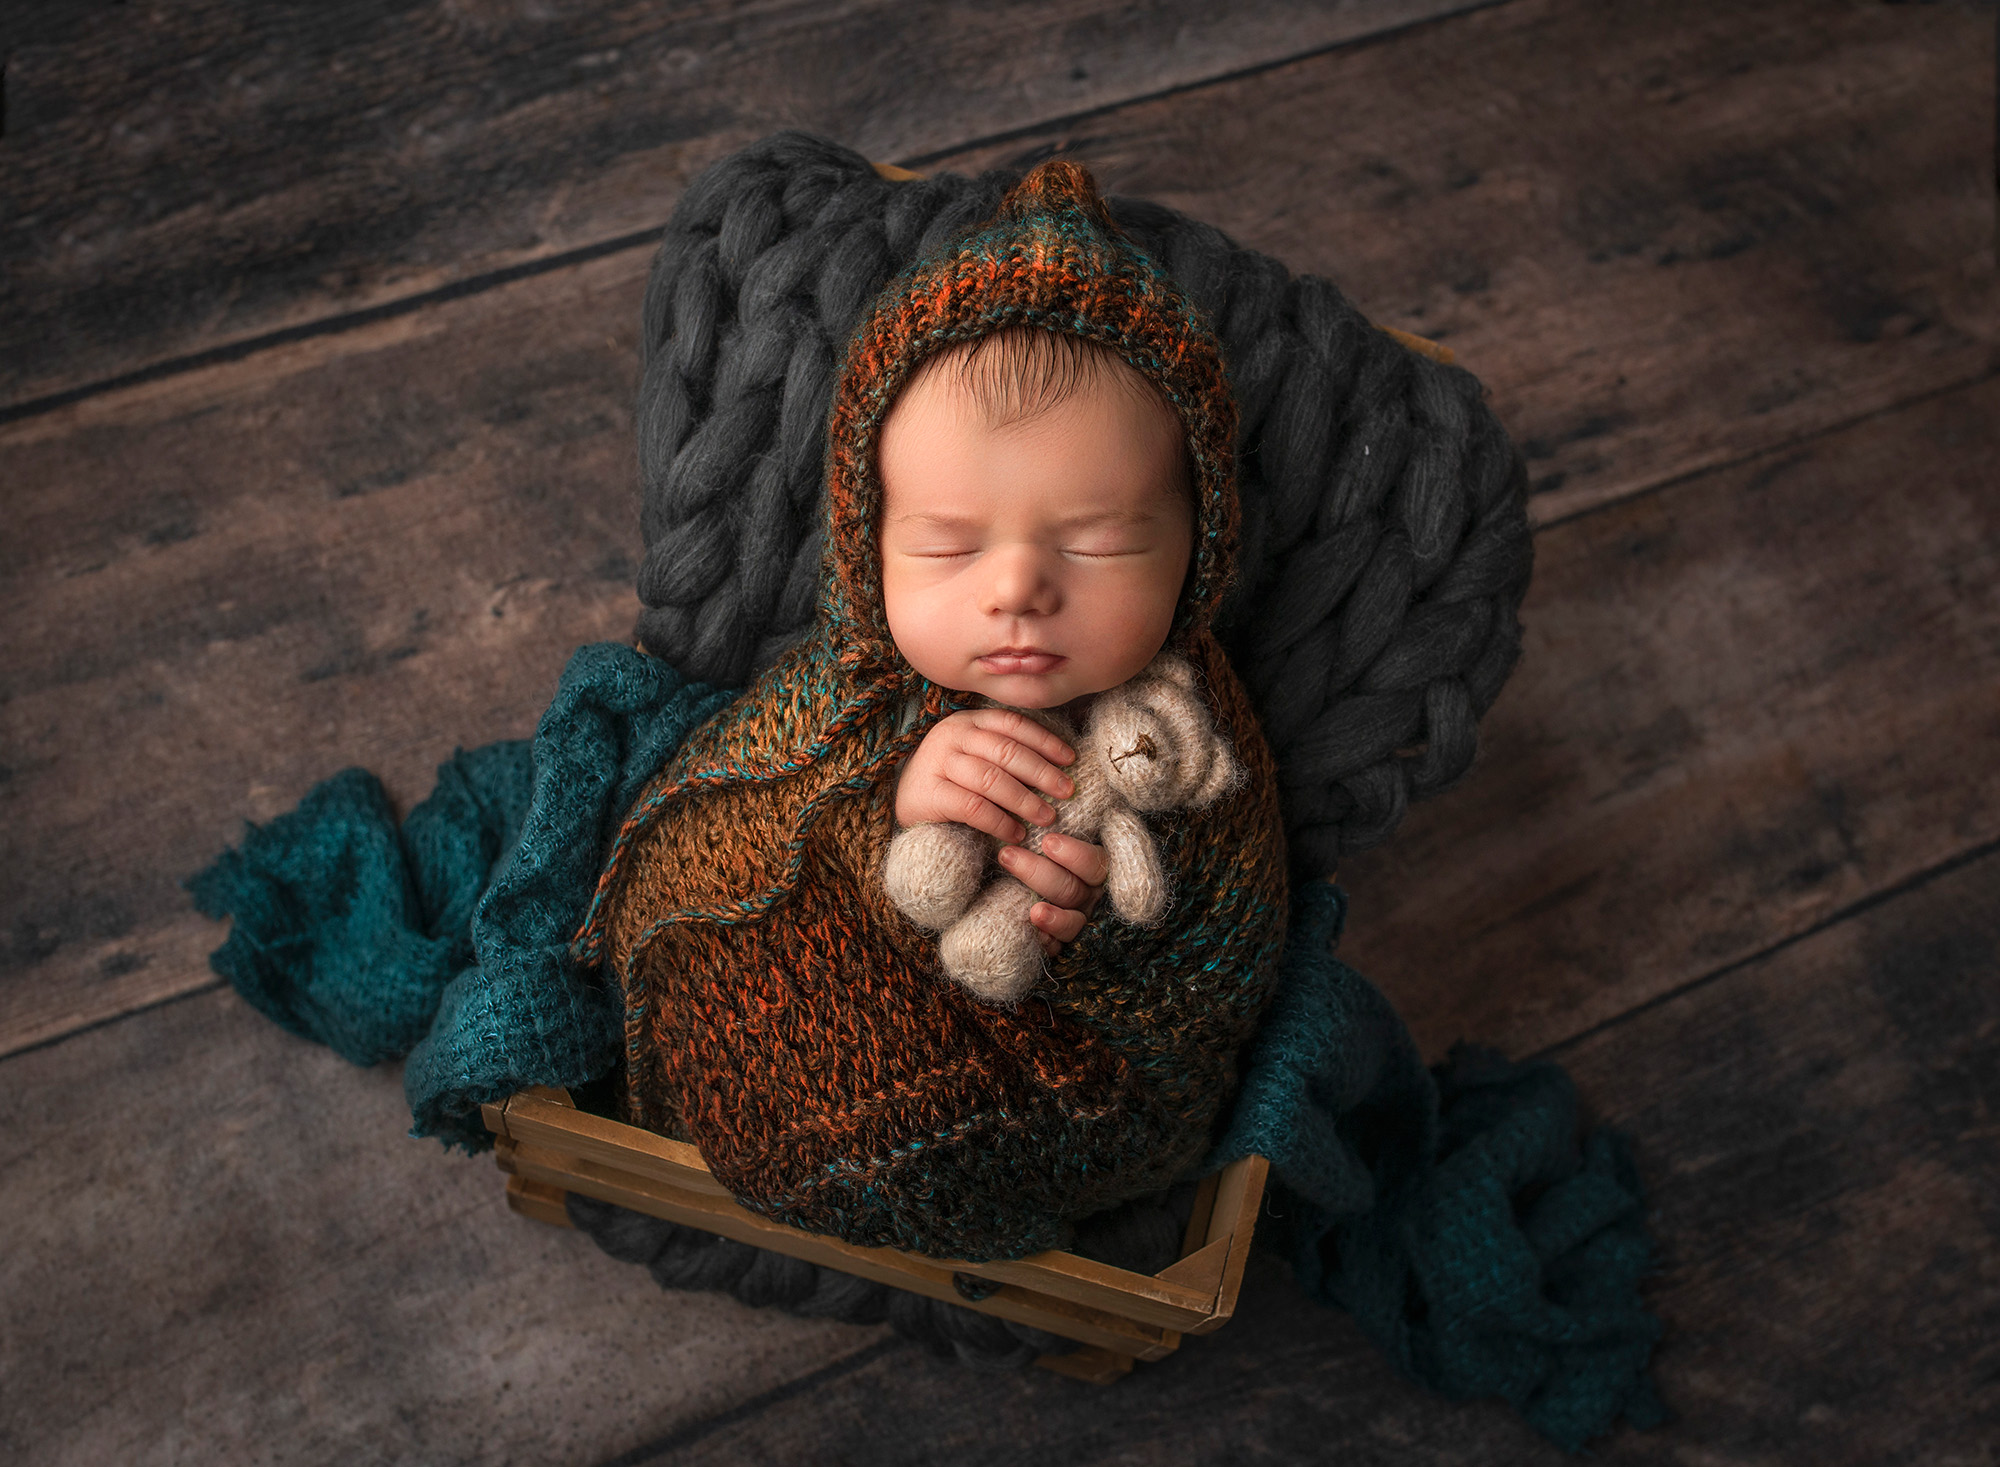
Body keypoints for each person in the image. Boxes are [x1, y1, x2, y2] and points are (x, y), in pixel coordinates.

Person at [575, 159, 1290, 1262]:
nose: (1014, 590)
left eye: (1095, 541)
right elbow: (691, 839)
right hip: (812, 1014)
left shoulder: (1194, 743)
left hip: (1030, 1100)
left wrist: (1093, 935)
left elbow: (1224, 981)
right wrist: (876, 809)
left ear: (1198, 550)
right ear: (868, 548)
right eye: (948, 546)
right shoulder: (850, 682)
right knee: (721, 981)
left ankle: (907, 1181)